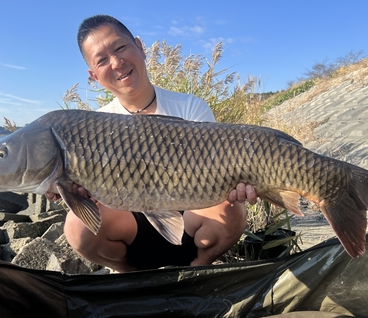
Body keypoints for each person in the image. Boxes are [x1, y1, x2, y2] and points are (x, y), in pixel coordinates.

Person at [50, 14, 257, 272]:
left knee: (232, 209)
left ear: (140, 47)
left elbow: (219, 174)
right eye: (102, 60)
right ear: (94, 76)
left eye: (120, 48)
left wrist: (237, 185)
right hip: (132, 228)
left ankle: (194, 270)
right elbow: (90, 202)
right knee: (76, 226)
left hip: (192, 221)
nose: (116, 63)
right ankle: (136, 278)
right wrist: (70, 191)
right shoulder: (94, 127)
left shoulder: (191, 107)